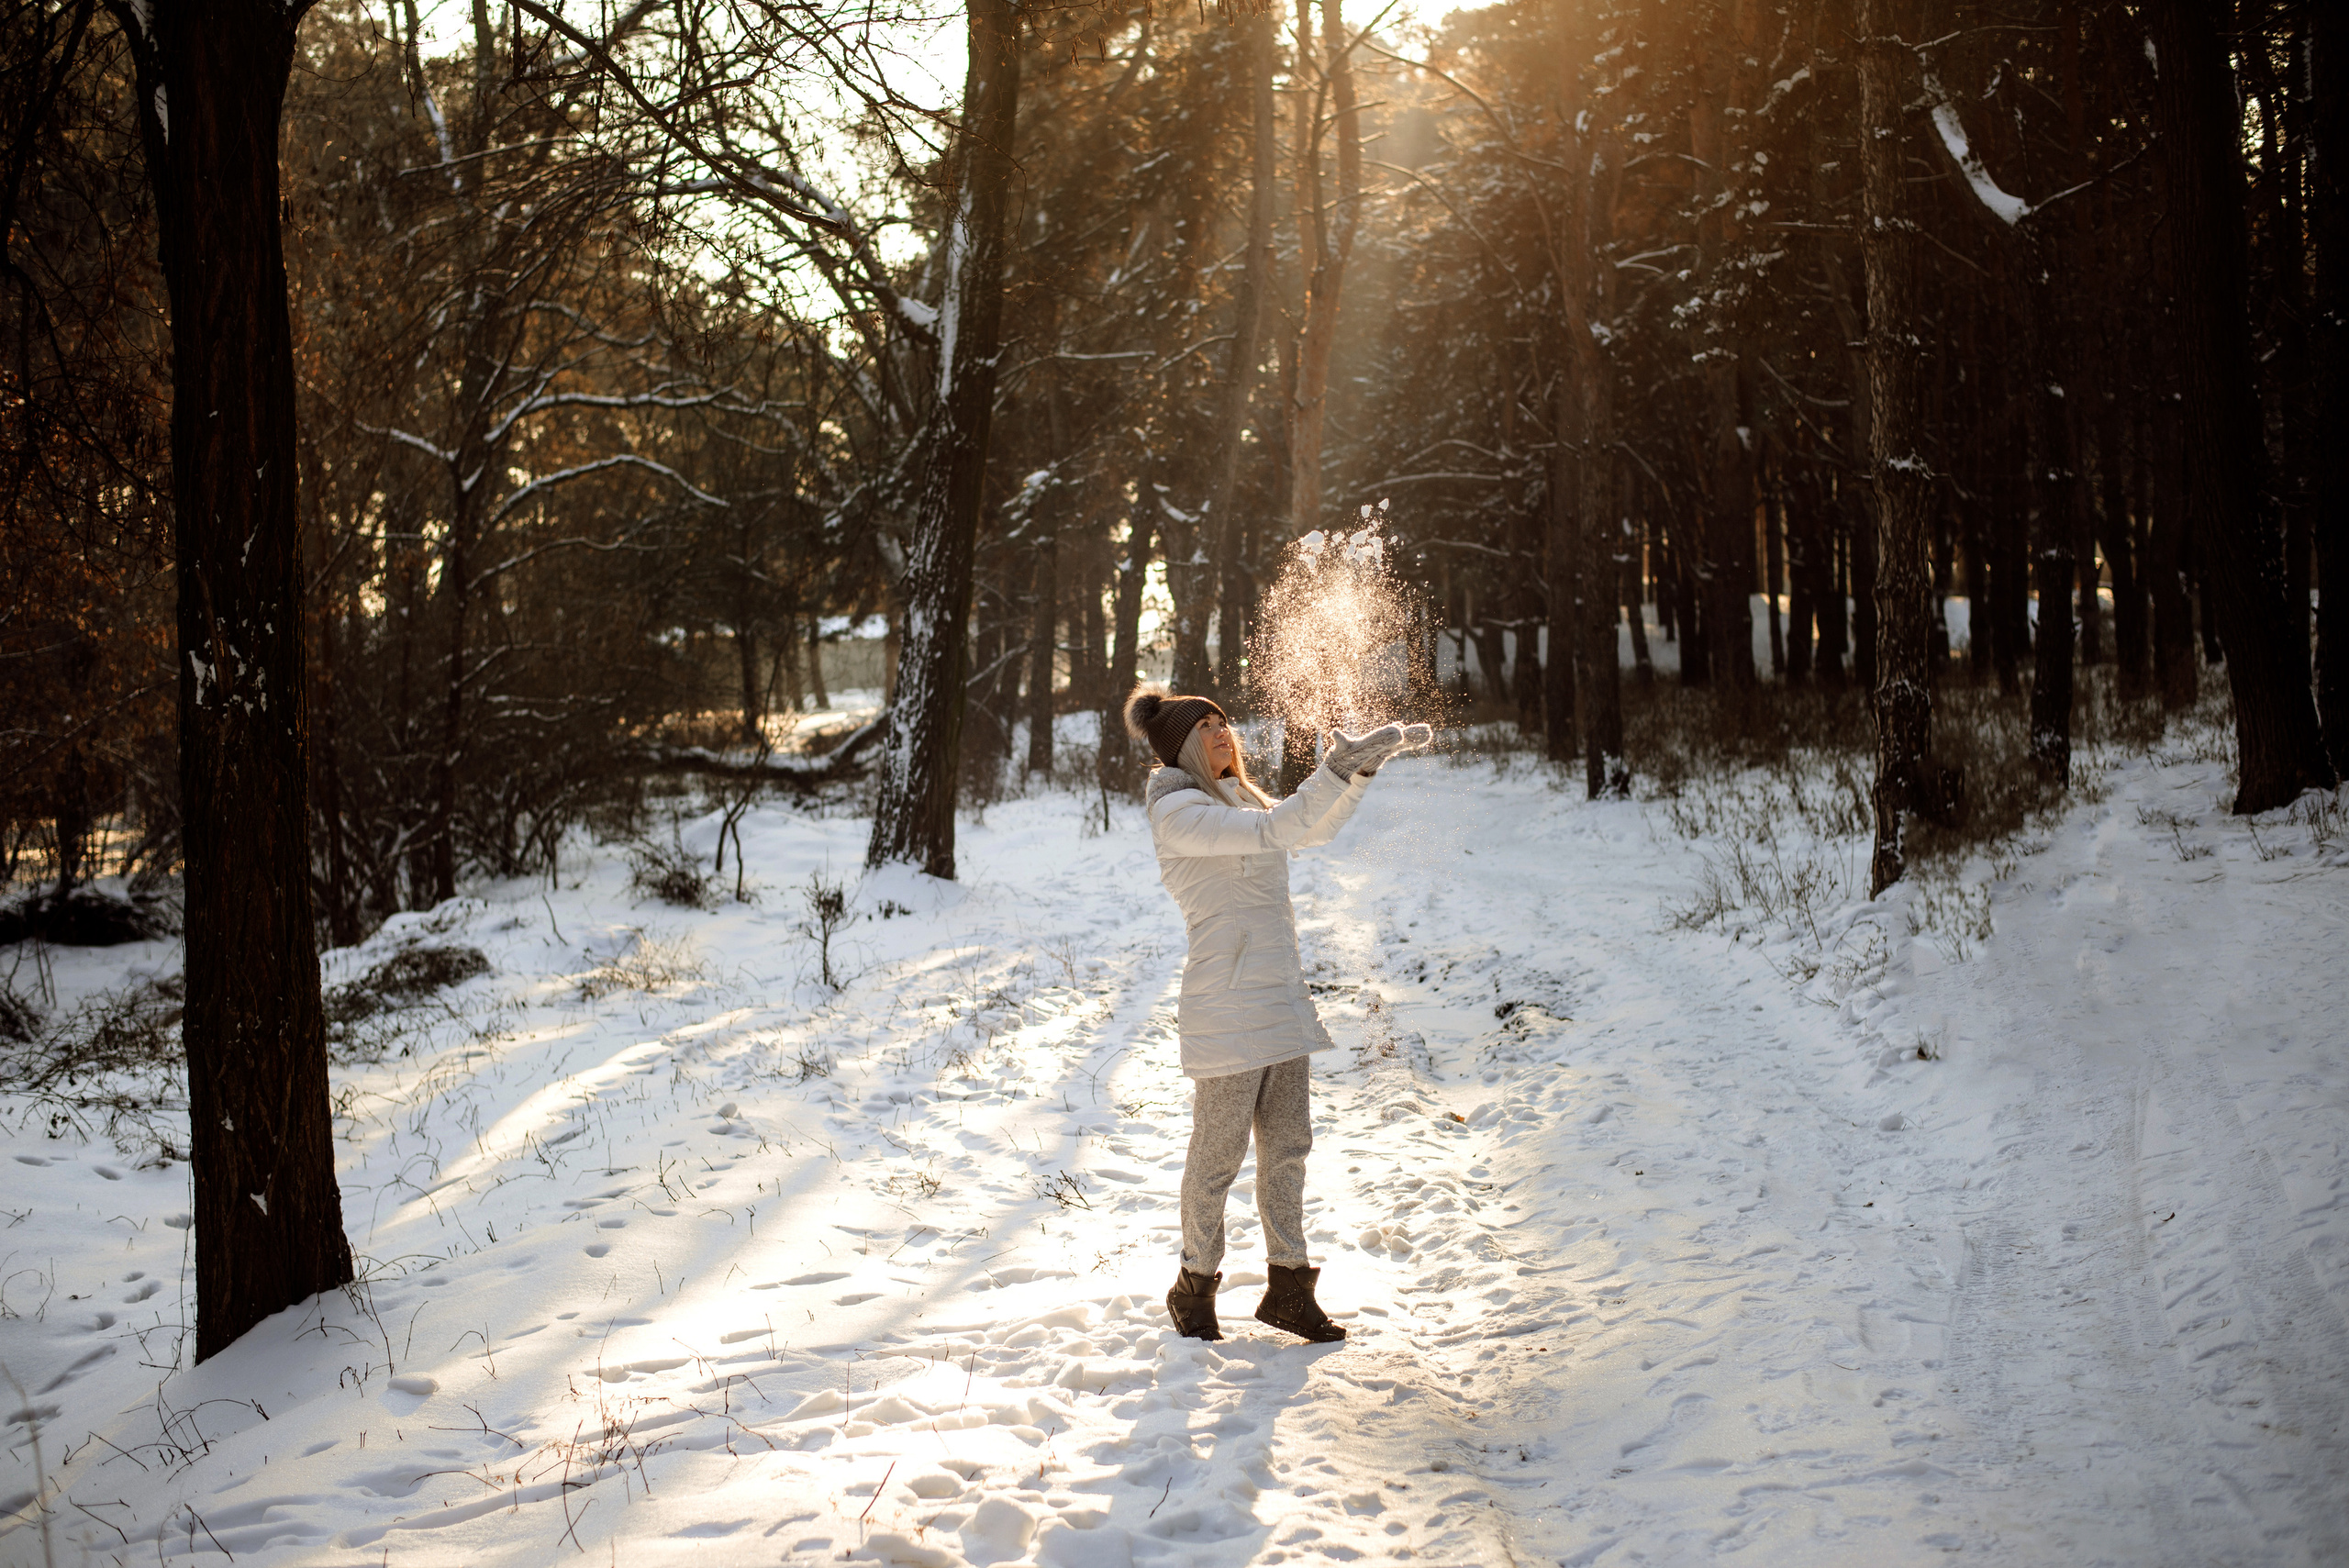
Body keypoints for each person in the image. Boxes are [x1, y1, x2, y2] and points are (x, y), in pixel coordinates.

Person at [1123, 683, 1430, 1343]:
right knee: (1218, 1156)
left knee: (1288, 1148)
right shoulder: (1179, 812)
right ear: (1179, 747)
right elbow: (1278, 828)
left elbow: (1307, 826)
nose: (1221, 733)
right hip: (1228, 1008)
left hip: (1279, 999)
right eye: (1204, 727)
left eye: (1223, 723)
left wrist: (1359, 771)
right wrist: (1335, 769)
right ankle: (1194, 1286)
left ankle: (1289, 1288)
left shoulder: (1240, 798)